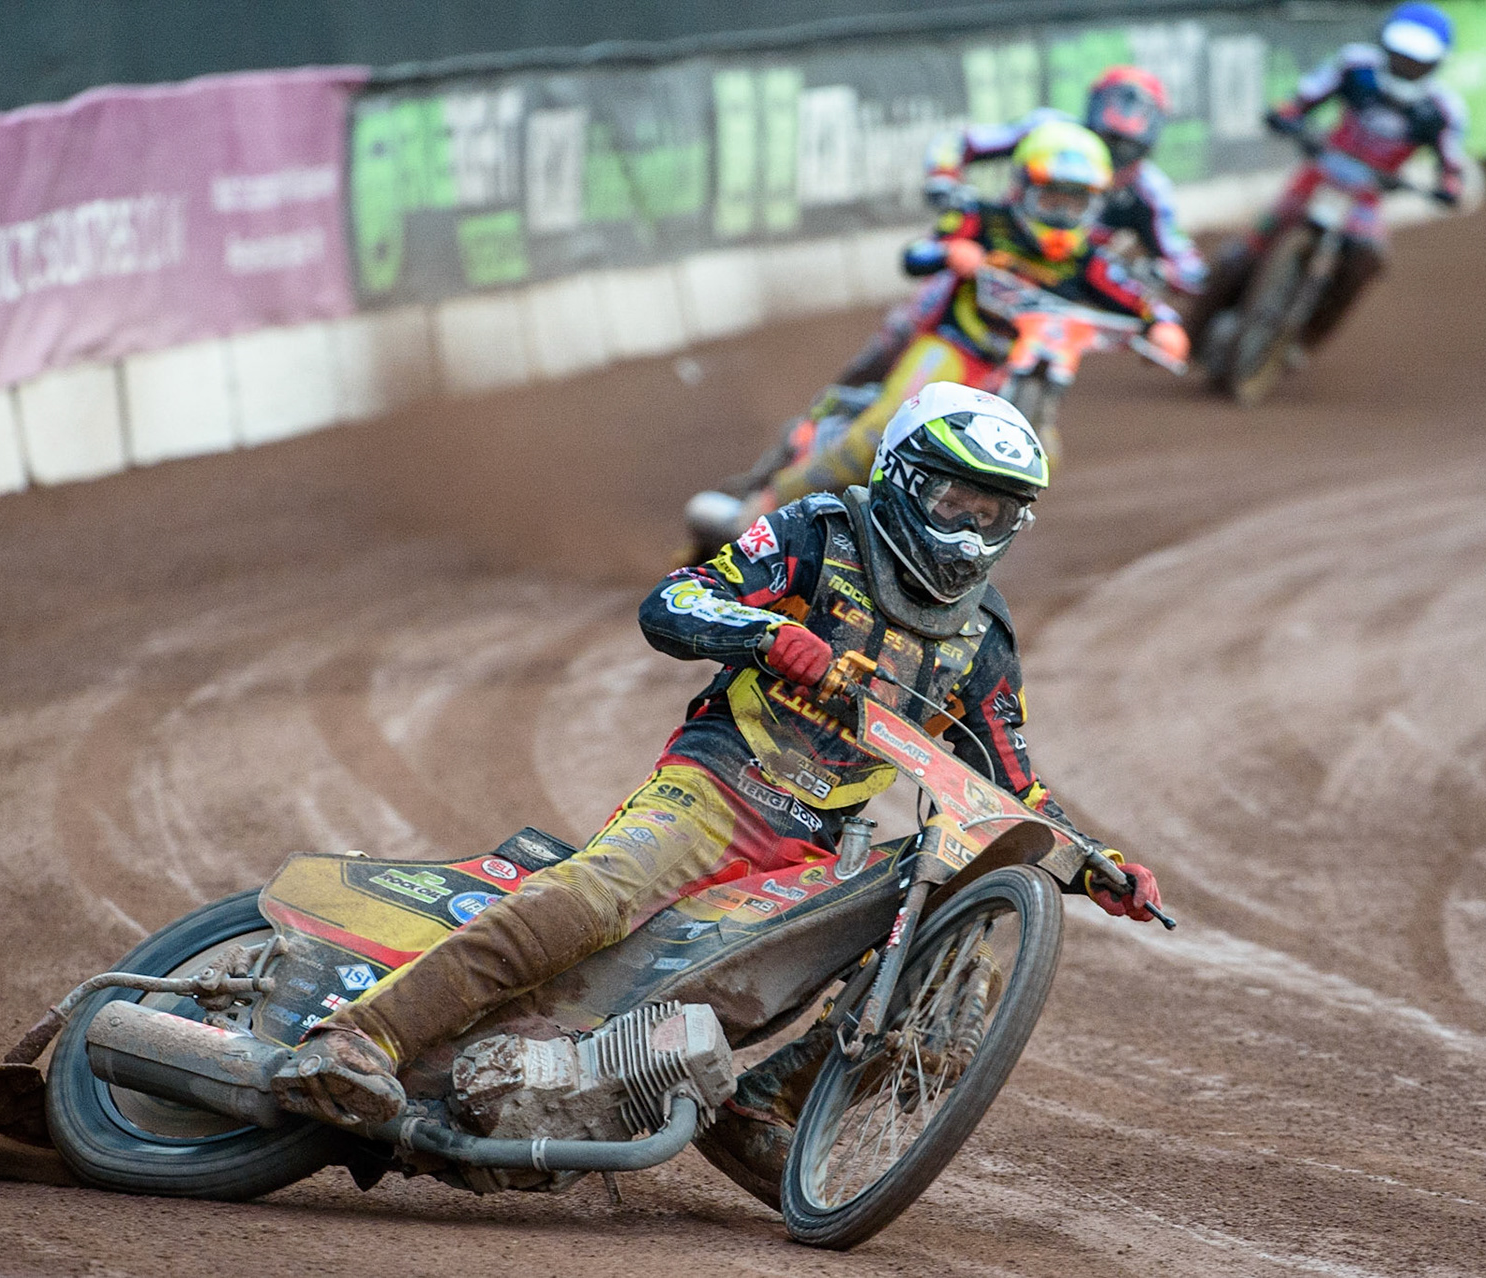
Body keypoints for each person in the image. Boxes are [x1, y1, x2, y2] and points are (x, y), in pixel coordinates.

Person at [271, 384, 1166, 1206]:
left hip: (816, 851)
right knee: (594, 899)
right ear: (901, 479)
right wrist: (770, 636)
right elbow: (675, 600)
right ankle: (363, 1036)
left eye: (995, 515)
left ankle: (768, 1105)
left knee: (944, 927)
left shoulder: (986, 639)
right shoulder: (820, 530)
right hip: (714, 788)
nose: (969, 534)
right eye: (953, 505)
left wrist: (1100, 866)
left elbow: (1012, 786)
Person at [694, 122, 1187, 550]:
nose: (1060, 215)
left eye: (1075, 203)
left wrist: (1164, 327)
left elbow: (1140, 302)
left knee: (1045, 460)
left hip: (1023, 371)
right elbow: (917, 255)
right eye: (1051, 198)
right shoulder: (983, 220)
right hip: (956, 349)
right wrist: (954, 252)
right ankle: (756, 515)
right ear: (1023, 189)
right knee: (880, 432)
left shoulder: (1091, 261)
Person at [835, 71, 1205, 390]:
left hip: (1064, 287)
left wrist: (1164, 272)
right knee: (911, 322)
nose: (1110, 155)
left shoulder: (1150, 191)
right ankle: (837, 407)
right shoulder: (1048, 131)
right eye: (1106, 140)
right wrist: (945, 176)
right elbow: (959, 141)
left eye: (1126, 148)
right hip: (995, 255)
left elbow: (1189, 265)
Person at [1189, 3, 1468, 357]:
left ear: (1437, 62)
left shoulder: (1442, 110)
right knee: (1243, 251)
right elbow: (1304, 97)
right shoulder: (1356, 67)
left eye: (1416, 58)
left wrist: (1449, 186)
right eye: (1399, 53)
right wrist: (1288, 114)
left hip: (1365, 196)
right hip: (1317, 175)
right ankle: (1191, 334)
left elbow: (1452, 163)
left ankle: (1304, 339)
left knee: (1367, 259)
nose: (1405, 64)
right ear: (1384, 44)